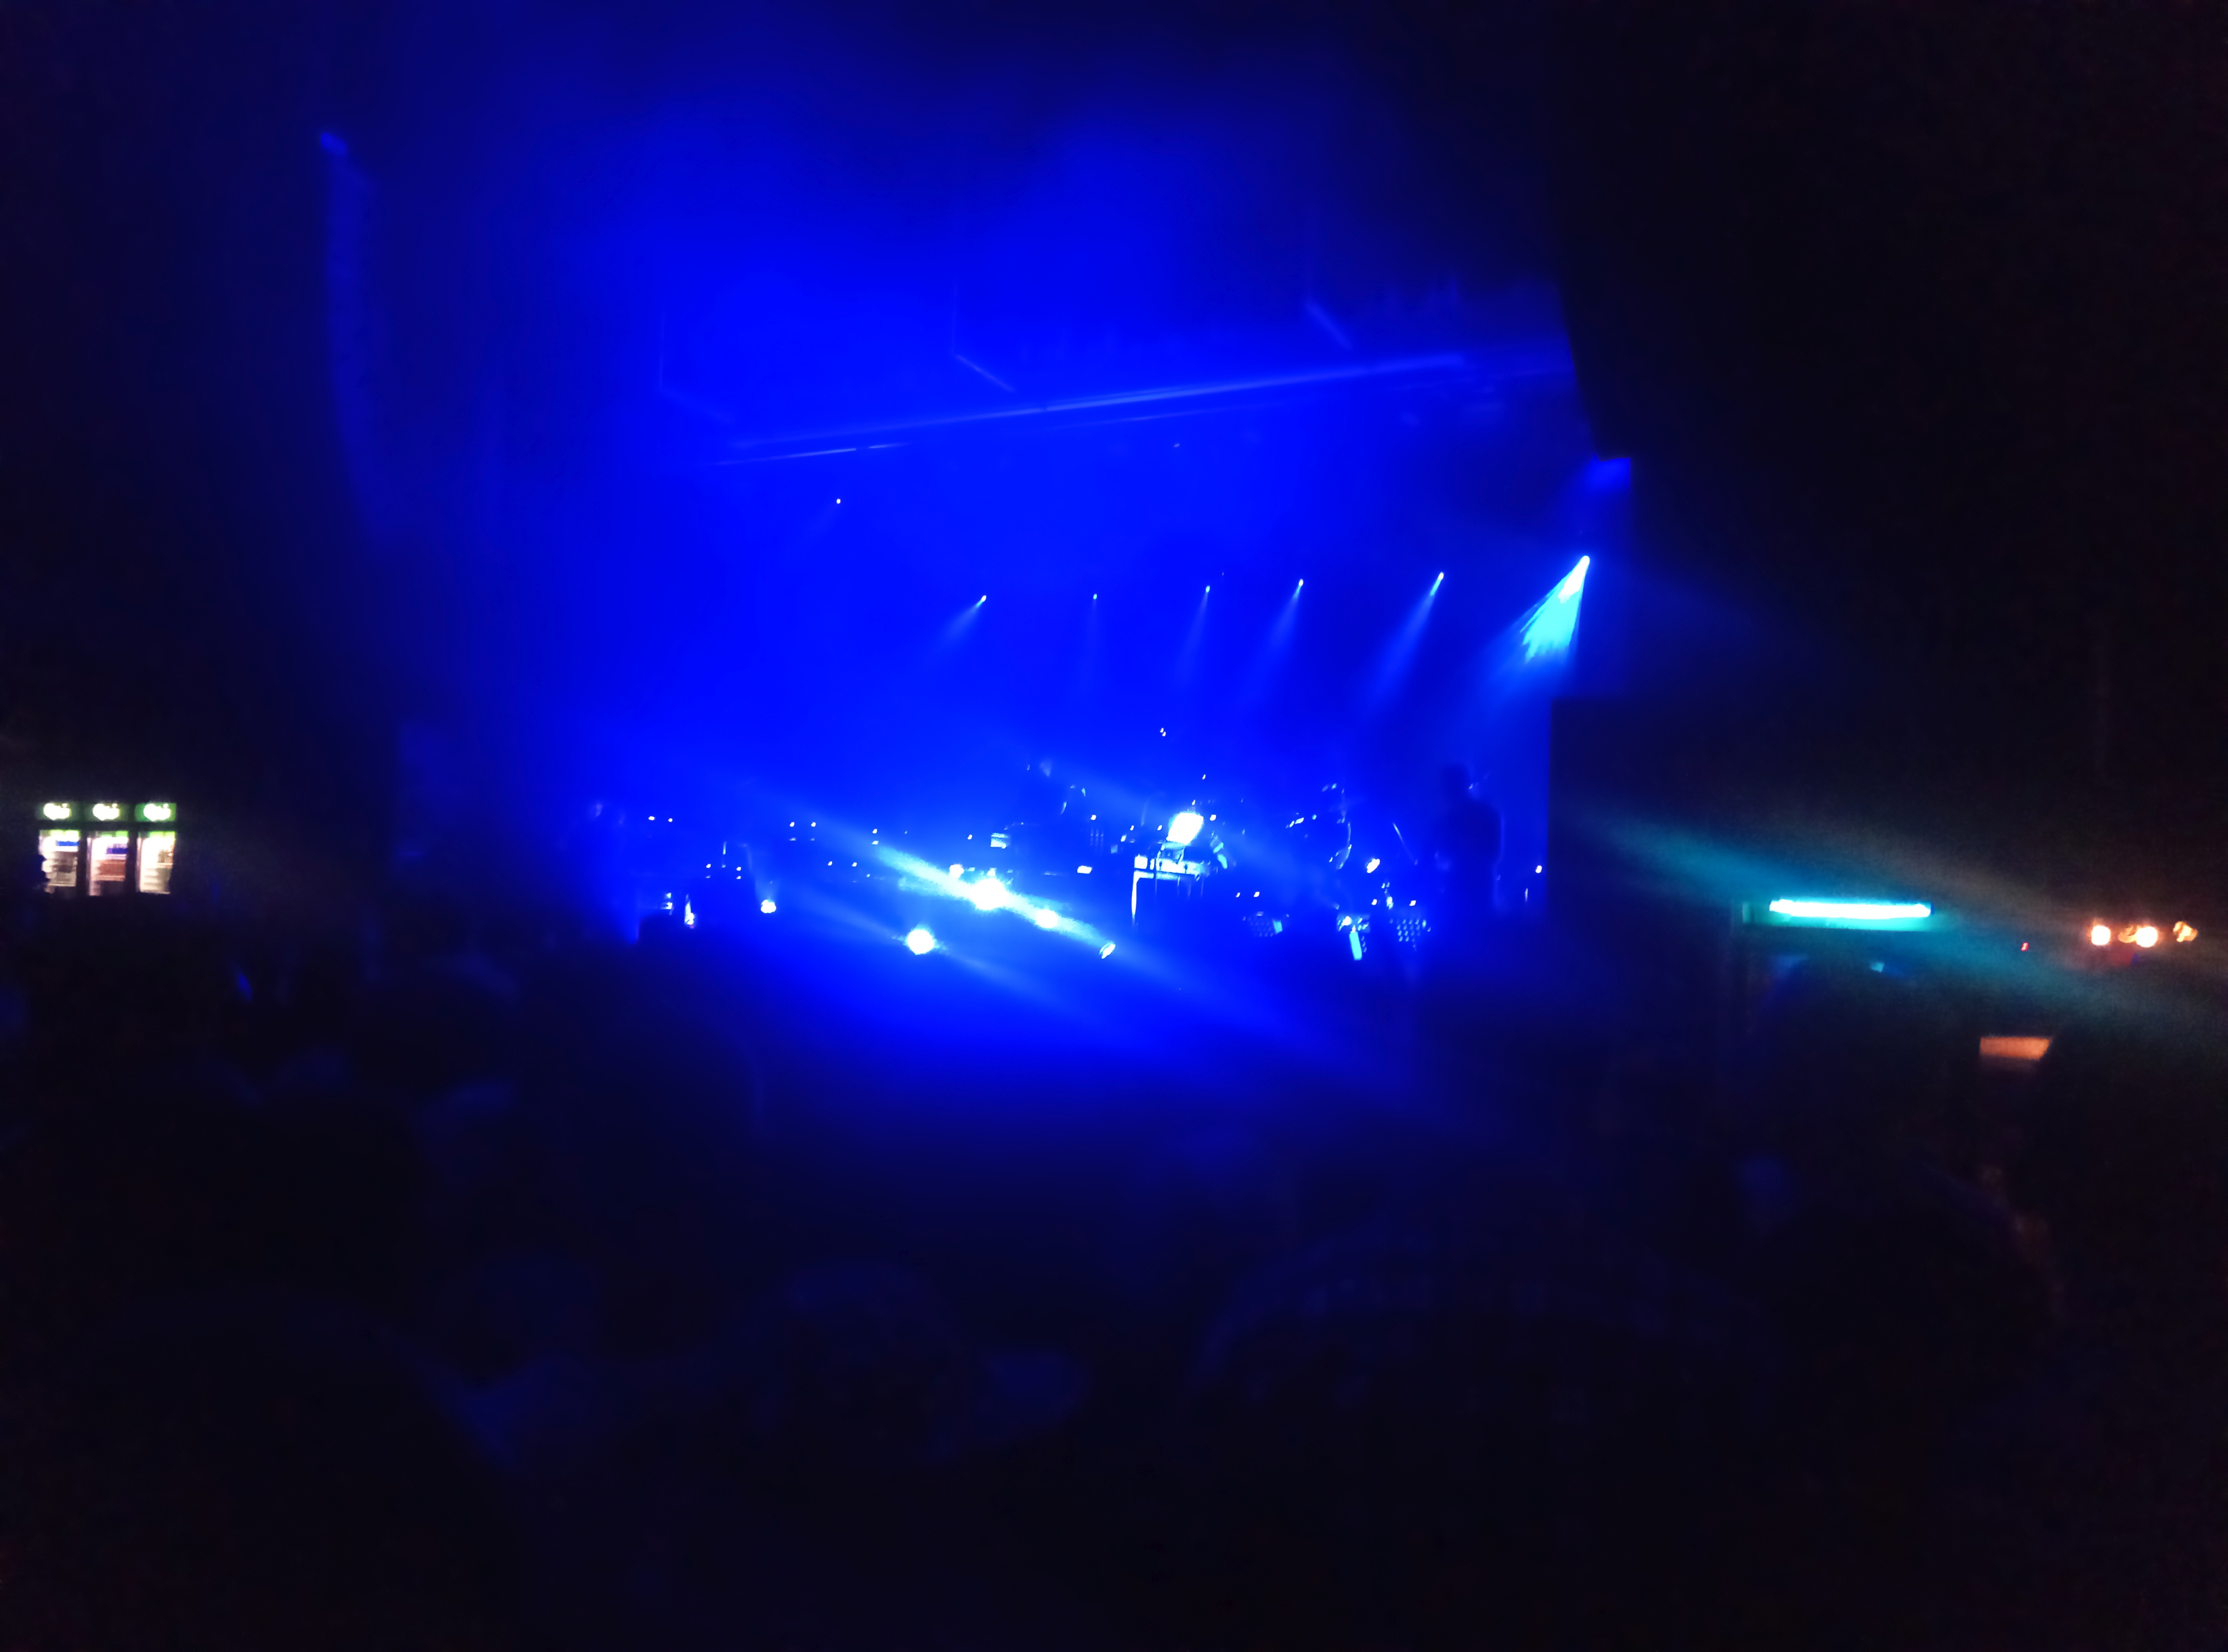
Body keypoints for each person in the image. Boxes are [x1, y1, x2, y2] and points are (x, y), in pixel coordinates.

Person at [1428, 764, 1501, 935]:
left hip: (1463, 894)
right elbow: (1495, 854)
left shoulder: (1448, 818)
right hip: (1481, 892)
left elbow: (1435, 855)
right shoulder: (1489, 812)